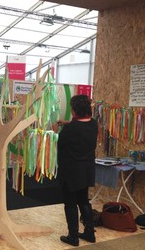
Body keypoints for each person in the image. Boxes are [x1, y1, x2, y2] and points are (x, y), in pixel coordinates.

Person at [53, 95, 98, 247]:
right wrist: (67, 123)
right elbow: (80, 126)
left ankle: (73, 236)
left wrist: (54, 132)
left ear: (75, 110)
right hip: (86, 170)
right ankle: (90, 233)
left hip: (71, 172)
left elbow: (58, 143)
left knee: (70, 203)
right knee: (84, 200)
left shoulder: (70, 129)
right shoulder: (93, 124)